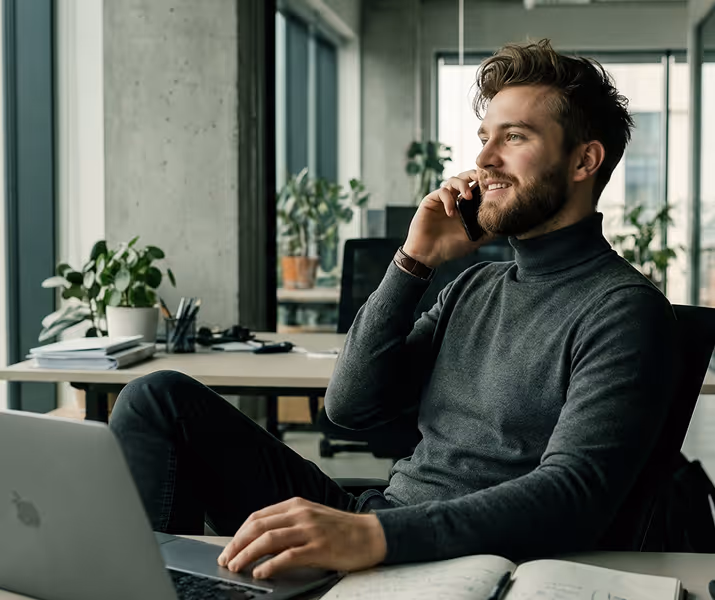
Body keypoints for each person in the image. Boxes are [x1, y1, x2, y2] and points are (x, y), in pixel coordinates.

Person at [109, 39, 677, 580]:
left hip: (475, 558)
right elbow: (349, 406)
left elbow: (573, 495)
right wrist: (414, 260)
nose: (483, 157)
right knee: (158, 399)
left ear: (584, 161)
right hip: (383, 520)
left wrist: (373, 536)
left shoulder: (623, 311)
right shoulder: (474, 288)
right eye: (484, 136)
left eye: (515, 137)